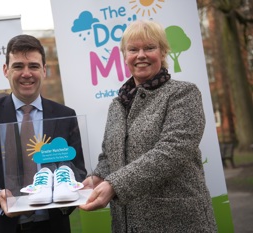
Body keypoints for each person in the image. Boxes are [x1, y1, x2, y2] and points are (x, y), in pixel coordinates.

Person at [79, 20, 217, 232]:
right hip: (125, 223)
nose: (141, 55)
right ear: (125, 57)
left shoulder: (183, 94)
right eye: (133, 49)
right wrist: (96, 178)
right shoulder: (117, 105)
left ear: (162, 53)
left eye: (149, 47)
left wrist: (114, 185)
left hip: (177, 221)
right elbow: (110, 156)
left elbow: (171, 151)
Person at [0, 34, 87, 233]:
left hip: (51, 226)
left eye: (33, 66)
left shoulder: (65, 116)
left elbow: (77, 170)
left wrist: (68, 193)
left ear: (44, 70)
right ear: (5, 70)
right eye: (18, 66)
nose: (26, 73)